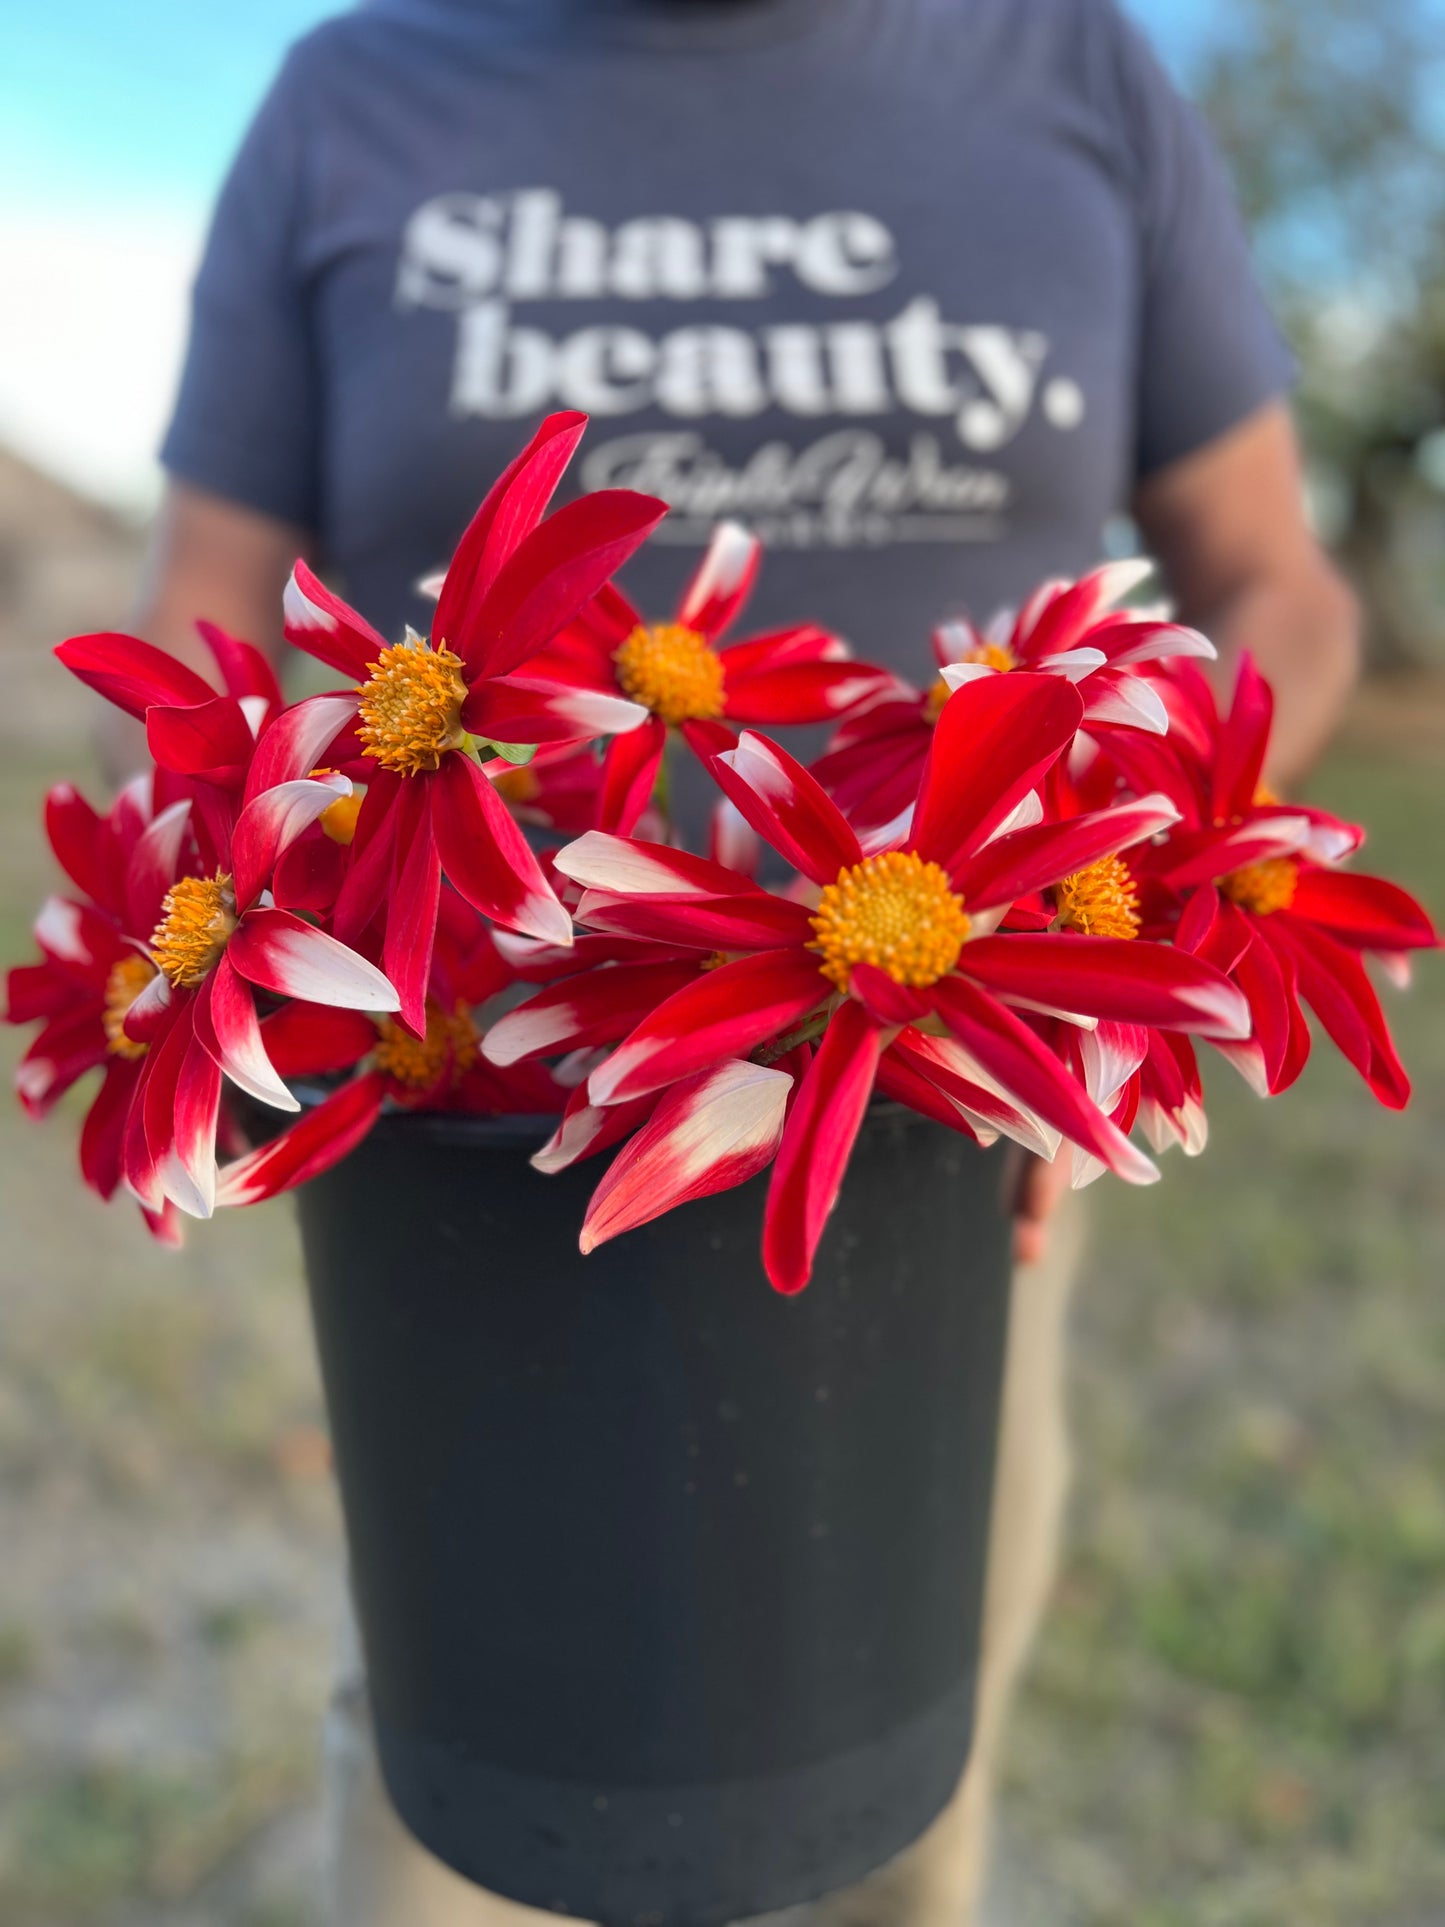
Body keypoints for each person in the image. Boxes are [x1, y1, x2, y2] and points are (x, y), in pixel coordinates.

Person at [131, 1, 1360, 1920]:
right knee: (468, 1801)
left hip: (965, 1126)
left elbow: (1270, 574)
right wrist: (243, 936)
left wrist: (1155, 827)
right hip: (458, 1124)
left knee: (890, 1794)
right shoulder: (352, 88)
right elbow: (204, 606)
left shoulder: (1073, 69)